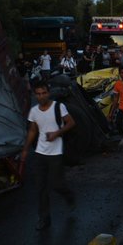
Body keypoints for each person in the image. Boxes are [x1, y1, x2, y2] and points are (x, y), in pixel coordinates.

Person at [21, 81, 77, 231]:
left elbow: (71, 122)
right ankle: (44, 218)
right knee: (41, 188)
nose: (41, 96)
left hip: (56, 152)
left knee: (56, 184)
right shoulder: (34, 111)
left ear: (48, 92)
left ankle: (69, 196)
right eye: (38, 94)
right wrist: (26, 149)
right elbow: (33, 131)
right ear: (35, 95)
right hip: (40, 152)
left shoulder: (58, 107)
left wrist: (57, 133)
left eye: (43, 93)